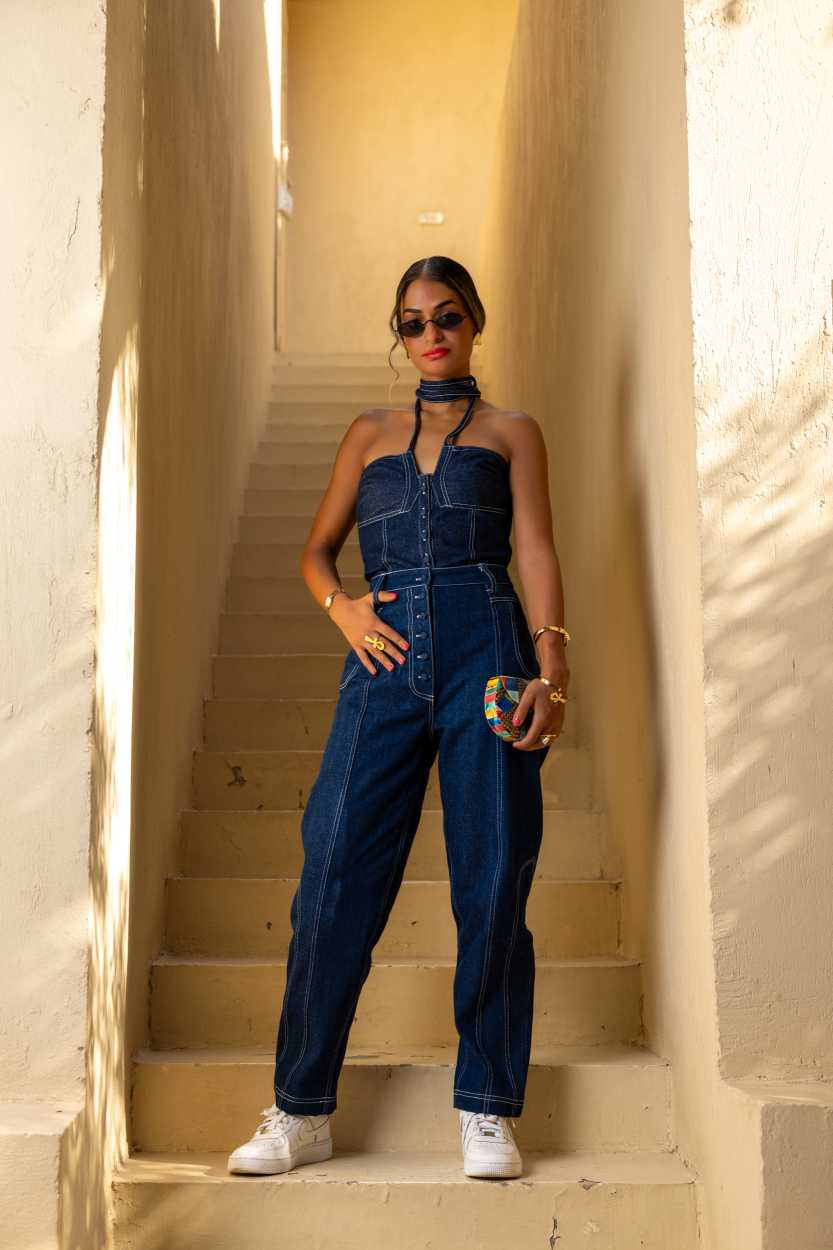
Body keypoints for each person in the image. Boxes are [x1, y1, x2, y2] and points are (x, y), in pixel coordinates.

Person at [228, 255, 570, 1180]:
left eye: (447, 317)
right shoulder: (368, 432)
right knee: (333, 876)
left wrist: (553, 665)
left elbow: (533, 547)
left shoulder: (511, 432)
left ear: (475, 321)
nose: (431, 336)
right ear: (399, 334)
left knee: (492, 878)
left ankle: (487, 1106)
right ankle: (301, 1108)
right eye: (412, 323)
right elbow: (315, 550)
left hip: (487, 651)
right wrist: (340, 609)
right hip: (382, 661)